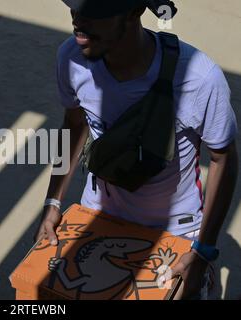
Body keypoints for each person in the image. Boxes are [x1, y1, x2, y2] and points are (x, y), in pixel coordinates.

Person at [35, 0, 238, 299]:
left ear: (133, 11)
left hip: (175, 230)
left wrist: (203, 250)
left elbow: (223, 158)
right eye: (74, 7)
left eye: (94, 11)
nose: (78, 20)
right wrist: (53, 202)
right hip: (98, 215)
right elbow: (74, 123)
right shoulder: (70, 57)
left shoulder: (199, 77)